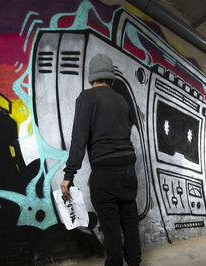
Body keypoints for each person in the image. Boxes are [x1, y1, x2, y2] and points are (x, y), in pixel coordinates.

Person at [60, 54, 141, 266]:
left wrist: (69, 175)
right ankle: (134, 262)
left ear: (91, 78)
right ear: (111, 80)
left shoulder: (86, 98)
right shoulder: (122, 101)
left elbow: (79, 139)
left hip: (105, 172)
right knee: (130, 221)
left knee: (110, 226)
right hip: (128, 170)